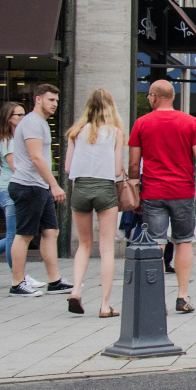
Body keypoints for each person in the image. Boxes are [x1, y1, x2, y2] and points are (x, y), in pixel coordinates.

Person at [128, 80, 196, 314]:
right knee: (183, 240)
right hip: (182, 191)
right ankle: (182, 295)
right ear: (173, 97)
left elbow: (134, 163)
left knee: (156, 242)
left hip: (153, 193)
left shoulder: (141, 123)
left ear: (154, 97)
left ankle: (156, 298)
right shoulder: (190, 122)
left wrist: (135, 193)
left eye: (148, 96)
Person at [64, 88, 126, 317]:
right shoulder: (116, 133)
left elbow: (68, 168)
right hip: (105, 188)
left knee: (84, 244)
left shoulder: (75, 132)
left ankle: (76, 290)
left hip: (80, 188)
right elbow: (118, 170)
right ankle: (104, 305)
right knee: (106, 247)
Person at [8, 84, 73, 297]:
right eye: (50, 100)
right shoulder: (33, 123)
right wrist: (53, 185)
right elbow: (36, 157)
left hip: (38, 186)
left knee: (50, 231)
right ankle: (18, 283)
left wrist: (48, 186)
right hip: (28, 185)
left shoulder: (40, 123)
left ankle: (54, 281)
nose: (54, 104)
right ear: (38, 99)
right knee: (24, 234)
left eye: (56, 100)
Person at [0, 103, 37, 293]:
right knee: (14, 236)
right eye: (19, 115)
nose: (23, 118)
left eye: (24, 114)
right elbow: (16, 167)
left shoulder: (15, 138)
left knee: (14, 235)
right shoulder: (8, 140)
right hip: (11, 190)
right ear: (9, 117)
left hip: (10, 189)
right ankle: (19, 278)